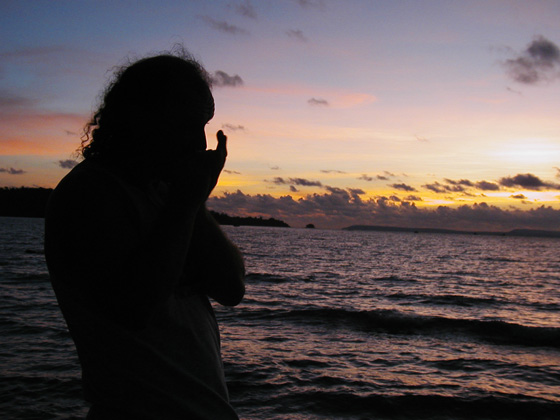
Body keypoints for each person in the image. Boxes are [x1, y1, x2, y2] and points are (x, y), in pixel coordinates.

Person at [44, 50, 245, 419]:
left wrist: (192, 202)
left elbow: (231, 288)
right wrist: (185, 203)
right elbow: (134, 307)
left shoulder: (166, 196)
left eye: (204, 125)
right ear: (140, 119)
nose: (199, 144)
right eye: (186, 124)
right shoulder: (91, 192)